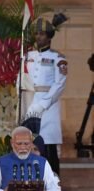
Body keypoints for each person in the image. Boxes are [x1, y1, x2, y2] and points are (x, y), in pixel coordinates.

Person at [22, 13, 68, 174]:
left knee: (48, 145)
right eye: (36, 33)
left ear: (49, 37)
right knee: (28, 142)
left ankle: (52, 183)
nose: (38, 37)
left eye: (42, 34)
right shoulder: (28, 56)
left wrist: (44, 103)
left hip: (48, 107)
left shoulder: (58, 58)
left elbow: (59, 84)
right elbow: (21, 80)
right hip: (29, 102)